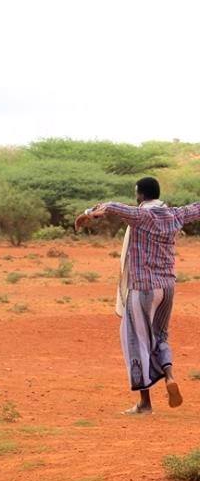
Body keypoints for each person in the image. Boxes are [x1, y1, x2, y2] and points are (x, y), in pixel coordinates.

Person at [76, 176, 200, 414]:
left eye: (136, 193)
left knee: (135, 339)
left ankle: (145, 404)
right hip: (167, 286)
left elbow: (111, 206)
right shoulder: (176, 214)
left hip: (143, 286)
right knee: (160, 335)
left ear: (141, 195)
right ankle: (169, 376)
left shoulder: (141, 215)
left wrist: (88, 213)